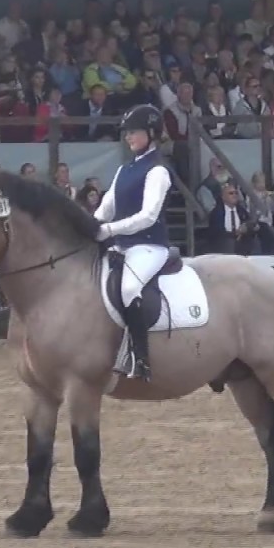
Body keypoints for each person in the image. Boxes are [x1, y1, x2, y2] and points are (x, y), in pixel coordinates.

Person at [94, 104, 172, 381]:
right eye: (127, 133)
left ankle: (140, 359)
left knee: (129, 288)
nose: (128, 137)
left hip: (149, 246)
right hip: (121, 245)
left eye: (134, 132)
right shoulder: (124, 170)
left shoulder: (158, 171)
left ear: (152, 133)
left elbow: (148, 216)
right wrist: (90, 226)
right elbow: (106, 208)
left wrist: (109, 229)